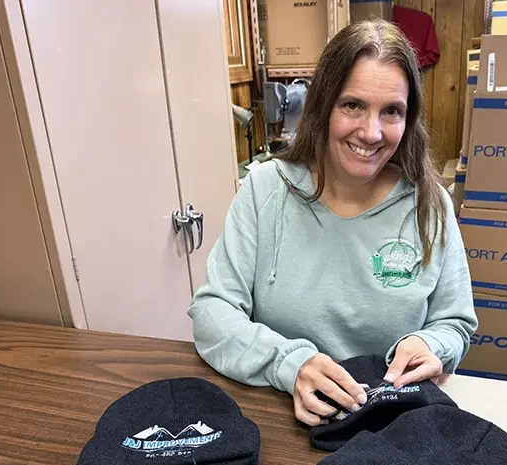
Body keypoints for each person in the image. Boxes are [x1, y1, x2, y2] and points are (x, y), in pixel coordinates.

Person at [188, 19, 477, 425]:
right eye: (353, 105)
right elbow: (212, 311)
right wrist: (289, 363)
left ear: (408, 119)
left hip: (391, 424)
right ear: (323, 105)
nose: (372, 132)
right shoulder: (264, 189)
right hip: (275, 417)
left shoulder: (431, 206)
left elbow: (455, 322)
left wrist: (429, 342)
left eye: (391, 111)